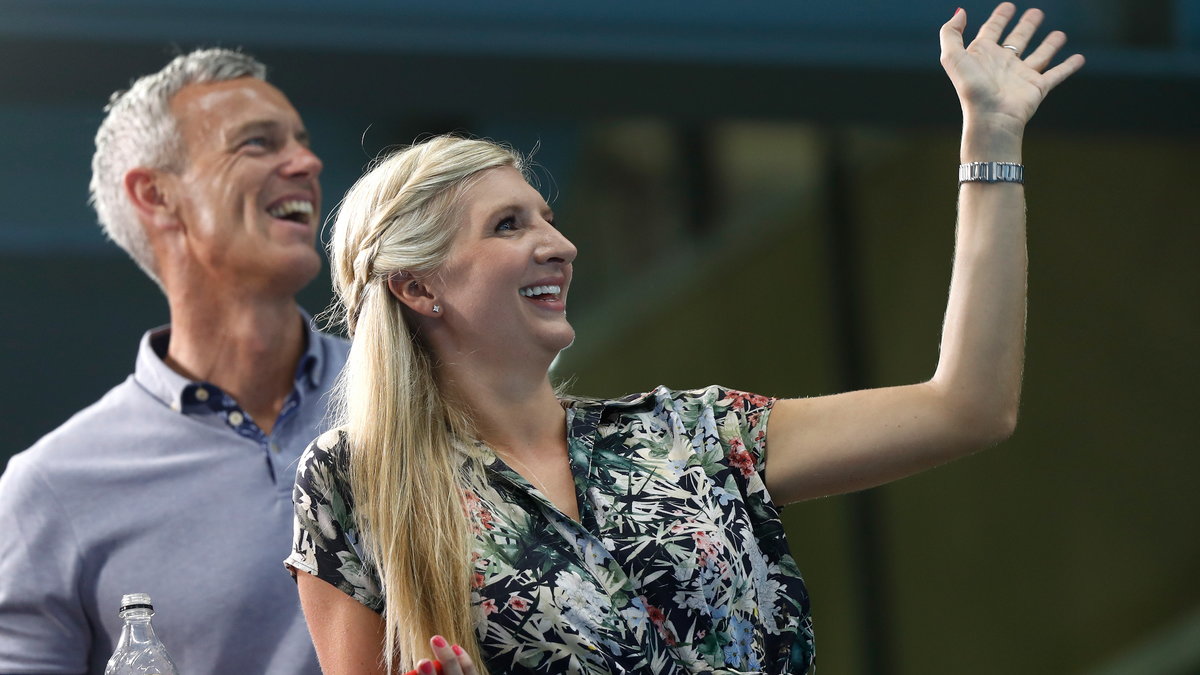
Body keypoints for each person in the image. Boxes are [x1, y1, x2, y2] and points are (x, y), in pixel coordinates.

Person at [286, 4, 1084, 674]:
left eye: (548, 218)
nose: (557, 245)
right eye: (507, 225)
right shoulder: (357, 481)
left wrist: (990, 142)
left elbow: (970, 406)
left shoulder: (694, 436)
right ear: (417, 286)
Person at [0, 48, 347, 674]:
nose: (307, 161)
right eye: (257, 143)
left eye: (301, 140)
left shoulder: (428, 399)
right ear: (156, 195)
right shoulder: (49, 490)